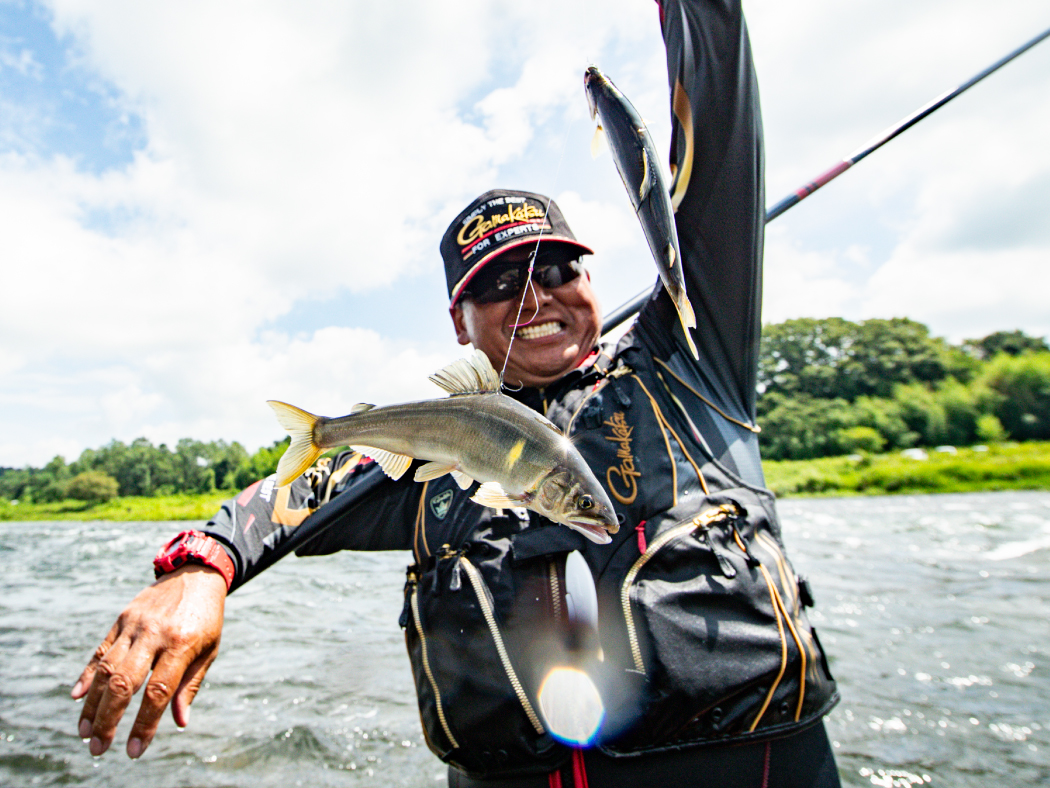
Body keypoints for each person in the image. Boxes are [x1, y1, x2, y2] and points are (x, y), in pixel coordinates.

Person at [73, 1, 842, 785]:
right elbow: (288, 496)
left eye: (557, 269)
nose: (537, 295)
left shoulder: (690, 359)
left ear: (590, 278)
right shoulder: (428, 446)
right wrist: (198, 569)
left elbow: (719, 127)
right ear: (458, 322)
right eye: (501, 285)